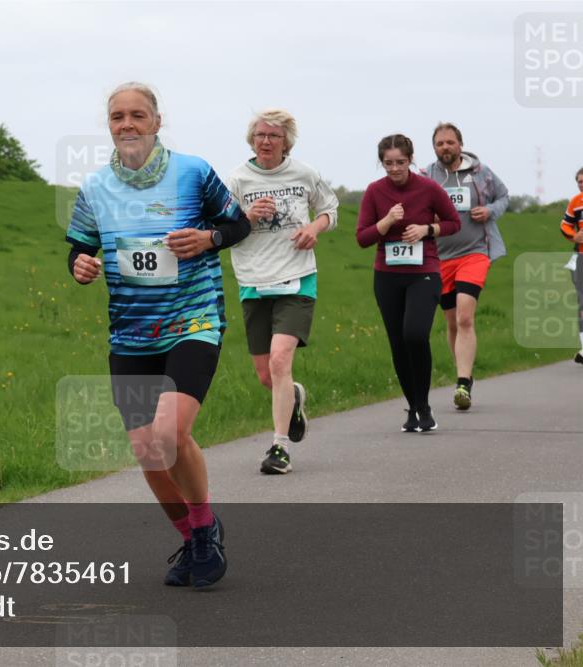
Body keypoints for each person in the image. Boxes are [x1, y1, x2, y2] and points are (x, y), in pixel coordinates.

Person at [65, 82, 250, 588]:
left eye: (137, 115)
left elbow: (236, 226)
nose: (127, 125)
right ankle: (192, 538)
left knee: (169, 434)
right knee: (147, 450)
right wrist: (79, 265)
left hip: (192, 320)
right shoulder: (95, 187)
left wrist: (208, 238)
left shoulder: (193, 172)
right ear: (109, 125)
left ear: (156, 121)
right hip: (130, 335)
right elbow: (80, 247)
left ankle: (206, 526)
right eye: (118, 117)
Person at [225, 109, 338, 474]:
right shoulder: (238, 180)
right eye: (260, 135)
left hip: (297, 278)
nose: (266, 141)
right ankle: (294, 398)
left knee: (279, 361)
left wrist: (314, 229)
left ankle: (279, 448)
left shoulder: (304, 174)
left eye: (274, 136)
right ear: (251, 139)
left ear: (286, 142)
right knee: (266, 375)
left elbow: (330, 209)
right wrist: (247, 217)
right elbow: (221, 228)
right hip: (253, 281)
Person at [356, 134, 460, 433]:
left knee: (415, 334)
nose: (395, 169)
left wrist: (427, 229)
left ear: (411, 159)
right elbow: (362, 238)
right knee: (398, 343)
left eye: (400, 162)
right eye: (388, 163)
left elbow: (454, 222)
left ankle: (425, 403)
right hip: (387, 275)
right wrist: (386, 222)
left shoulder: (428, 188)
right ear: (381, 163)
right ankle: (414, 409)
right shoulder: (375, 192)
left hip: (423, 272)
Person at [423, 123, 510, 410]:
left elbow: (504, 196)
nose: (445, 148)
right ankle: (465, 373)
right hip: (441, 257)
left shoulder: (480, 173)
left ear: (460, 144)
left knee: (464, 317)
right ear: (434, 148)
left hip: (475, 252)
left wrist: (490, 211)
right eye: (439, 144)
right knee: (451, 323)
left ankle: (462, 383)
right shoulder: (427, 176)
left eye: (450, 142)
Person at [561, 167, 583, 364]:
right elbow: (565, 224)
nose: (581, 184)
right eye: (579, 181)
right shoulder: (576, 202)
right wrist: (574, 235)